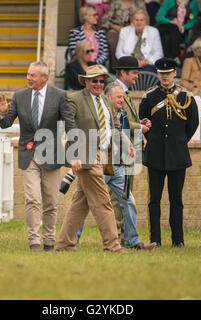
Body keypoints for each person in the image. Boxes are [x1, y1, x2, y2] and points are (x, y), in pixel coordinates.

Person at [0, 61, 78, 252]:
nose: (28, 78)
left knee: (51, 201)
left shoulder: (59, 96)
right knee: (32, 198)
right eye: (28, 74)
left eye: (33, 75)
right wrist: (2, 113)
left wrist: (74, 153)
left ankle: (49, 242)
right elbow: (6, 123)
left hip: (52, 154)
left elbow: (70, 125)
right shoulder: (19, 96)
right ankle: (34, 242)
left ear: (44, 78)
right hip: (29, 154)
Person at [56, 64, 133, 253]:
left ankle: (65, 244)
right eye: (94, 80)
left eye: (101, 80)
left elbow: (114, 127)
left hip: (102, 154)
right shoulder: (75, 99)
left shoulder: (106, 102)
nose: (98, 84)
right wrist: (74, 155)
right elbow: (70, 127)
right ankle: (113, 245)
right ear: (86, 81)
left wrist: (127, 144)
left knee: (79, 204)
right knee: (103, 201)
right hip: (85, 155)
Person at [76, 82, 156, 250]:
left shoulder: (124, 116)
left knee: (129, 201)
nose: (122, 100)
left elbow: (121, 134)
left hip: (118, 167)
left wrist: (129, 147)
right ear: (109, 97)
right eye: (119, 97)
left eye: (122, 97)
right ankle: (71, 240)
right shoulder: (99, 114)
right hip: (99, 166)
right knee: (84, 203)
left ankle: (132, 242)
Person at [139, 57, 199, 248]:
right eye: (161, 73)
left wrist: (179, 142)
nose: (165, 77)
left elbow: (192, 124)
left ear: (174, 73)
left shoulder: (185, 97)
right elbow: (143, 121)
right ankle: (155, 239)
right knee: (154, 200)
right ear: (157, 74)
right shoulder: (149, 97)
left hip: (177, 154)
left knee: (176, 200)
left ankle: (178, 239)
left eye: (168, 73)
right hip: (155, 153)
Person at [111, 56, 150, 242]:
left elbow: (126, 119)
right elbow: (116, 121)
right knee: (119, 198)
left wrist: (137, 122)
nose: (136, 76)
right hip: (118, 152)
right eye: (134, 73)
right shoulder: (114, 91)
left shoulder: (124, 92)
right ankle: (117, 237)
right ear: (123, 73)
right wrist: (139, 127)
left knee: (125, 195)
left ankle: (126, 237)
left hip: (126, 152)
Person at [101, 0, 146, 69]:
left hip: (134, 28)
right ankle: (117, 68)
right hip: (116, 29)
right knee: (112, 40)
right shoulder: (115, 2)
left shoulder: (140, 3)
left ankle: (137, 65)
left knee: (141, 38)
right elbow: (105, 20)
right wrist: (116, 27)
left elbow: (145, 18)